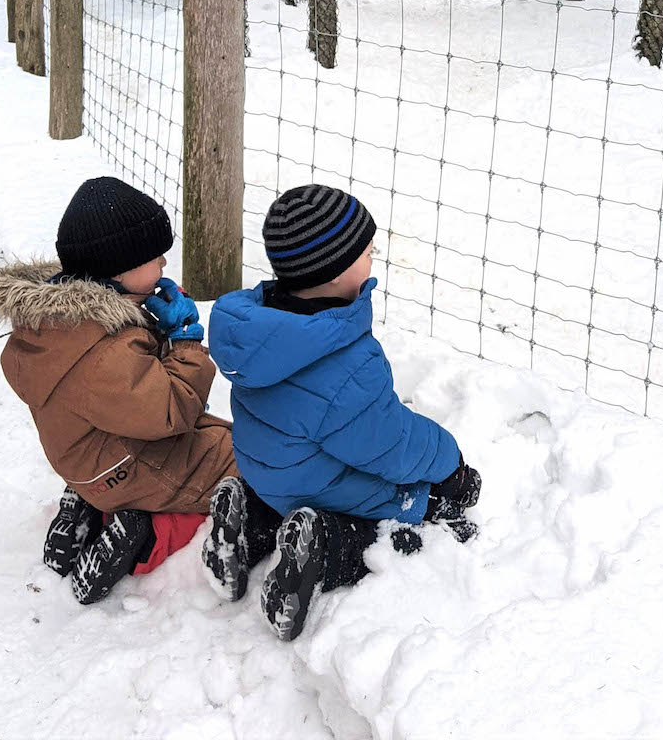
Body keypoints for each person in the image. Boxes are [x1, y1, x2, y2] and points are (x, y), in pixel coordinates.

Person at [0, 177, 278, 604]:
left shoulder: (63, 325)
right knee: (257, 466)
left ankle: (94, 506)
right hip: (134, 462)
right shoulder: (101, 350)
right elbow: (172, 413)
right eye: (155, 258)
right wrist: (187, 342)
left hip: (93, 459)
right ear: (120, 269)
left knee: (228, 447)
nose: (164, 264)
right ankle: (147, 537)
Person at [207, 184, 482, 641]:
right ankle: (325, 548)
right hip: (318, 485)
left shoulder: (264, 332)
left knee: (295, 483)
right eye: (367, 251)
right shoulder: (344, 362)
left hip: (267, 470)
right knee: (402, 518)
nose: (374, 256)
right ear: (334, 272)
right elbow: (390, 446)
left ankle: (253, 520)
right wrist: (450, 466)